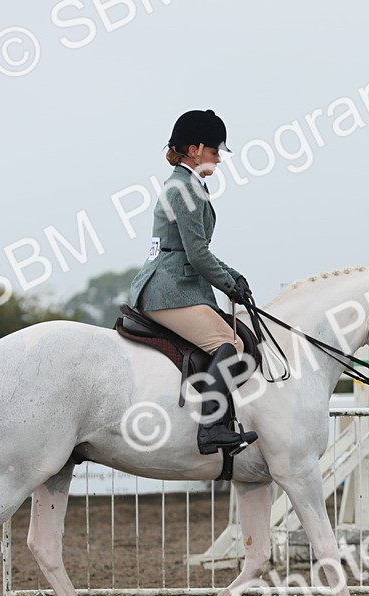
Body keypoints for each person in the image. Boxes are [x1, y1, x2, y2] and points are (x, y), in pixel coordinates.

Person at [129, 109, 258, 456]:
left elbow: (200, 251)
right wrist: (230, 286)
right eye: (215, 150)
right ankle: (211, 428)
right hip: (168, 288)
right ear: (195, 148)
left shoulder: (188, 185)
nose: (219, 156)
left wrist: (235, 277)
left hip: (178, 282)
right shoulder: (184, 189)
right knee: (229, 344)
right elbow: (198, 254)